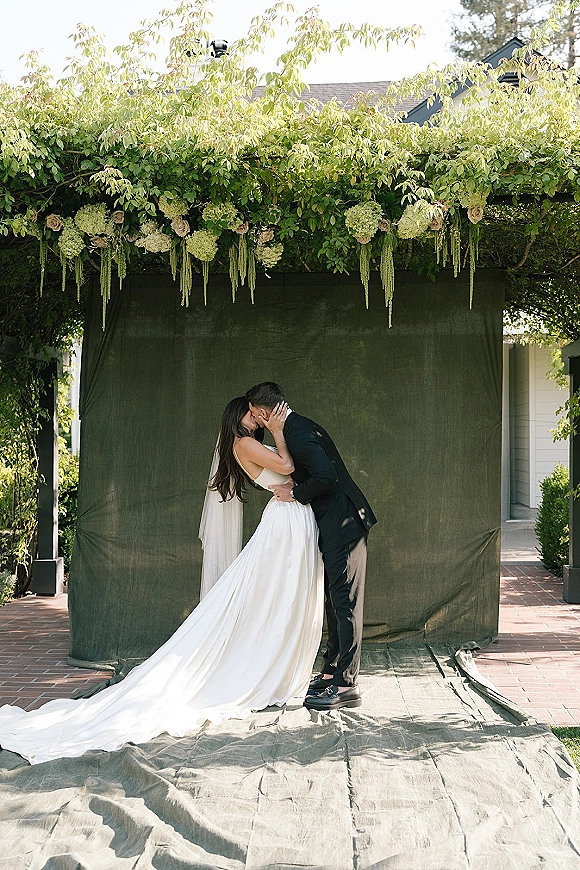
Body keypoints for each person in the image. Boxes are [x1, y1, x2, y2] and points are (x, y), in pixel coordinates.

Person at [0, 397, 323, 765]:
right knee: (274, 595)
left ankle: (275, 658)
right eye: (251, 413)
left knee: (278, 596)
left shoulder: (244, 442)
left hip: (288, 517)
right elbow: (287, 466)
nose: (258, 417)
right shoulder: (243, 442)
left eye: (257, 413)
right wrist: (281, 432)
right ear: (238, 416)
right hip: (284, 520)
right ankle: (267, 663)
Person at [246, 382, 377, 712]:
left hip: (343, 524)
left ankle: (347, 685)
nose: (253, 419)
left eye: (253, 413)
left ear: (263, 413)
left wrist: (294, 494)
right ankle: (332, 669)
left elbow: (325, 477)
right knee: (336, 601)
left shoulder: (299, 434)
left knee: (345, 603)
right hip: (336, 524)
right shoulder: (298, 426)